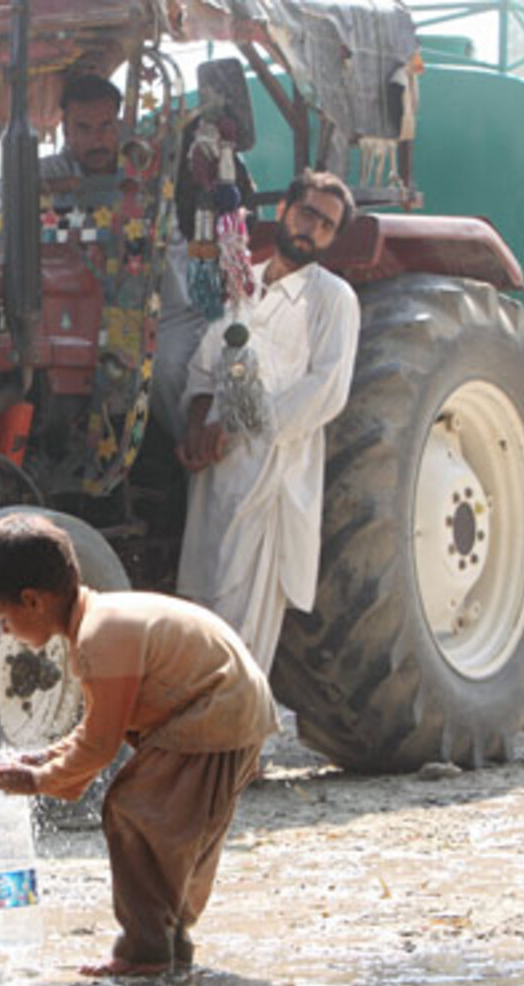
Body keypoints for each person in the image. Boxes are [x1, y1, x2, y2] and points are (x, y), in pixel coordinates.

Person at [0, 513, 276, 977]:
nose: (4, 633)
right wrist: (44, 758)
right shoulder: (101, 620)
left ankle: (146, 951)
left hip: (215, 713)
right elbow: (98, 729)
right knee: (170, 831)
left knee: (135, 813)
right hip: (229, 713)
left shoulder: (100, 636)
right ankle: (166, 942)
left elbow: (98, 747)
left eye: (2, 618)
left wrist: (36, 780)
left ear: (32, 600)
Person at [174, 170, 360, 671]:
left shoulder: (333, 299)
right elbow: (202, 369)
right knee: (201, 607)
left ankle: (238, 741)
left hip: (270, 480)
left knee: (243, 628)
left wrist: (232, 427)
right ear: (283, 211)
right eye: (307, 213)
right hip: (214, 475)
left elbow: (325, 391)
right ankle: (202, 741)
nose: (312, 228)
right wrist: (195, 427)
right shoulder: (243, 286)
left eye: (326, 225)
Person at [0, 73, 122, 199]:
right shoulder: (54, 171)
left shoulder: (137, 167)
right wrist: (55, 186)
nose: (96, 141)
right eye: (84, 128)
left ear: (118, 126)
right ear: (66, 131)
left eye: (105, 126)